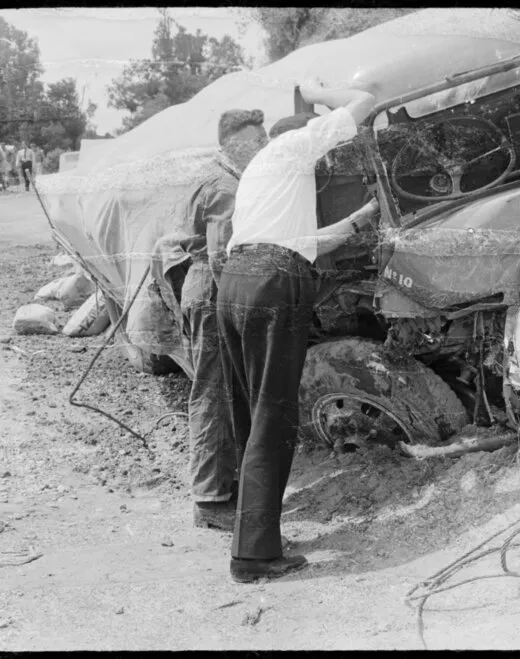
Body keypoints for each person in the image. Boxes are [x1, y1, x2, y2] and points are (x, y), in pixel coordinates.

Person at [216, 77, 379, 583]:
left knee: (250, 414)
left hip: (237, 283)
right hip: (272, 286)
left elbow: (304, 239)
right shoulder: (291, 145)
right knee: (273, 416)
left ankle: (253, 531)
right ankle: (256, 557)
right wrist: (323, 89)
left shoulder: (263, 175)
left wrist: (362, 217)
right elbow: (365, 103)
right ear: (305, 137)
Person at [181, 109, 269, 532]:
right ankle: (209, 500)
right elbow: (219, 256)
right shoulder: (224, 186)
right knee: (213, 393)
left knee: (225, 390)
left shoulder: (224, 177)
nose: (264, 145)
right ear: (234, 143)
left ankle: (222, 487)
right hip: (214, 290)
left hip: (212, 289)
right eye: (257, 139)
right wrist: (238, 305)